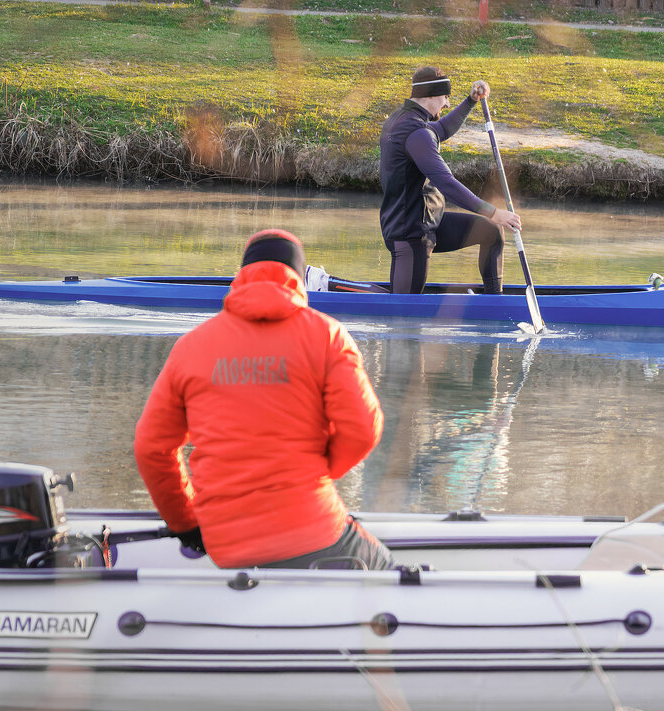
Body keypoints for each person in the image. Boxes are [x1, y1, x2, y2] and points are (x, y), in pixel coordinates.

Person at [134, 229, 393, 571]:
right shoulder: (327, 335)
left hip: (226, 544)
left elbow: (151, 447)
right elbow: (363, 429)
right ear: (300, 278)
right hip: (313, 533)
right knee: (395, 580)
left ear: (241, 276)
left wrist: (185, 523)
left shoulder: (190, 348)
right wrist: (312, 475)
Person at [379, 66, 522, 295]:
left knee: (491, 232)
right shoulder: (415, 132)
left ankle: (494, 303)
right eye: (446, 97)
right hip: (410, 234)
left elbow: (442, 128)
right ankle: (332, 286)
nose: (446, 104)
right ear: (433, 95)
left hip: (428, 223)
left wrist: (471, 100)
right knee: (403, 310)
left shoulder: (406, 120)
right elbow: (446, 182)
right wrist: (494, 212)